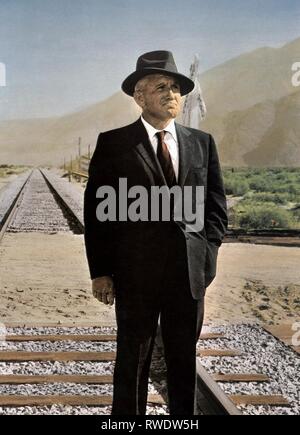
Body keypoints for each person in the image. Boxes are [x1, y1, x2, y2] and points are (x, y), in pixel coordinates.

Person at [84, 50, 228, 415]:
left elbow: (215, 209)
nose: (172, 94)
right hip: (136, 273)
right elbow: (99, 215)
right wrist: (101, 272)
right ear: (139, 96)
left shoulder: (201, 143)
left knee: (183, 358)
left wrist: (207, 255)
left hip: (188, 273)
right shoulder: (115, 144)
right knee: (133, 358)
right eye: (161, 86)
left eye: (177, 88)